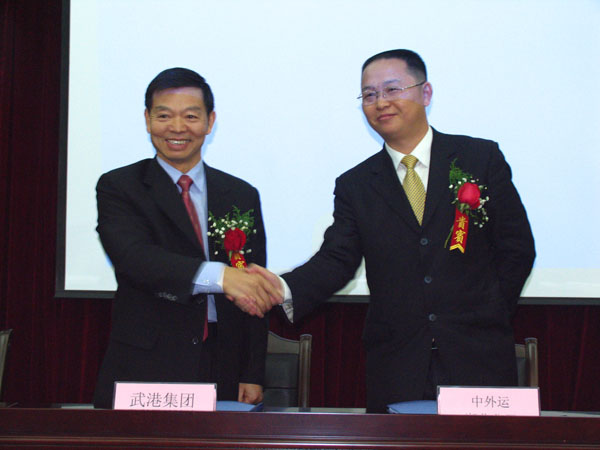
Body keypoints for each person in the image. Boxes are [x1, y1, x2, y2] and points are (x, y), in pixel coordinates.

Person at [251, 49, 535, 413]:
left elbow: (517, 248)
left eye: (392, 89)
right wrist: (282, 288)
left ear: (425, 93)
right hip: (397, 363)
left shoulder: (479, 158)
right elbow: (337, 258)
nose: (380, 102)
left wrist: (488, 313)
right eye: (369, 95)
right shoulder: (356, 184)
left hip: (478, 357)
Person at [93, 68, 281, 409]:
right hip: (148, 362)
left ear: (210, 122)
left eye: (191, 116)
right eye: (164, 116)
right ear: (148, 120)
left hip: (223, 363)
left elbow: (252, 285)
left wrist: (252, 371)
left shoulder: (240, 194)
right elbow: (134, 258)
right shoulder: (120, 186)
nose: (177, 127)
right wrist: (221, 276)